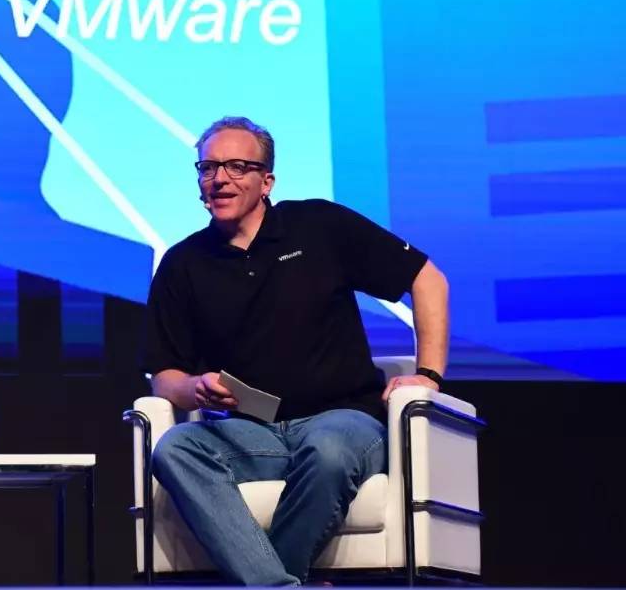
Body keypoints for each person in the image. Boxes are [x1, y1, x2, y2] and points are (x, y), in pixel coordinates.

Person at [142, 116, 449, 586]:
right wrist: (195, 388)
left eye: (237, 166)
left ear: (267, 181)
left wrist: (428, 375)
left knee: (326, 449)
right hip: (251, 431)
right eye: (208, 167)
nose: (219, 178)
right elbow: (165, 376)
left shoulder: (318, 226)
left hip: (344, 421)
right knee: (175, 448)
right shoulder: (183, 263)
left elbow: (427, 279)